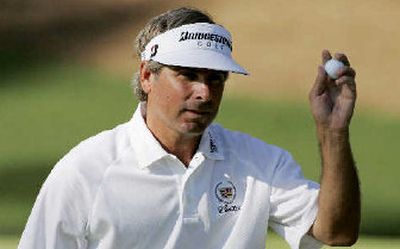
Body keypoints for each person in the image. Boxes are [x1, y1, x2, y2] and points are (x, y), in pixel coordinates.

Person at [18, 7, 360, 249]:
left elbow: (337, 233)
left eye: (216, 78)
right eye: (188, 75)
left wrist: (333, 133)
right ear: (147, 75)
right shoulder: (84, 172)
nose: (205, 92)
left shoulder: (260, 164)